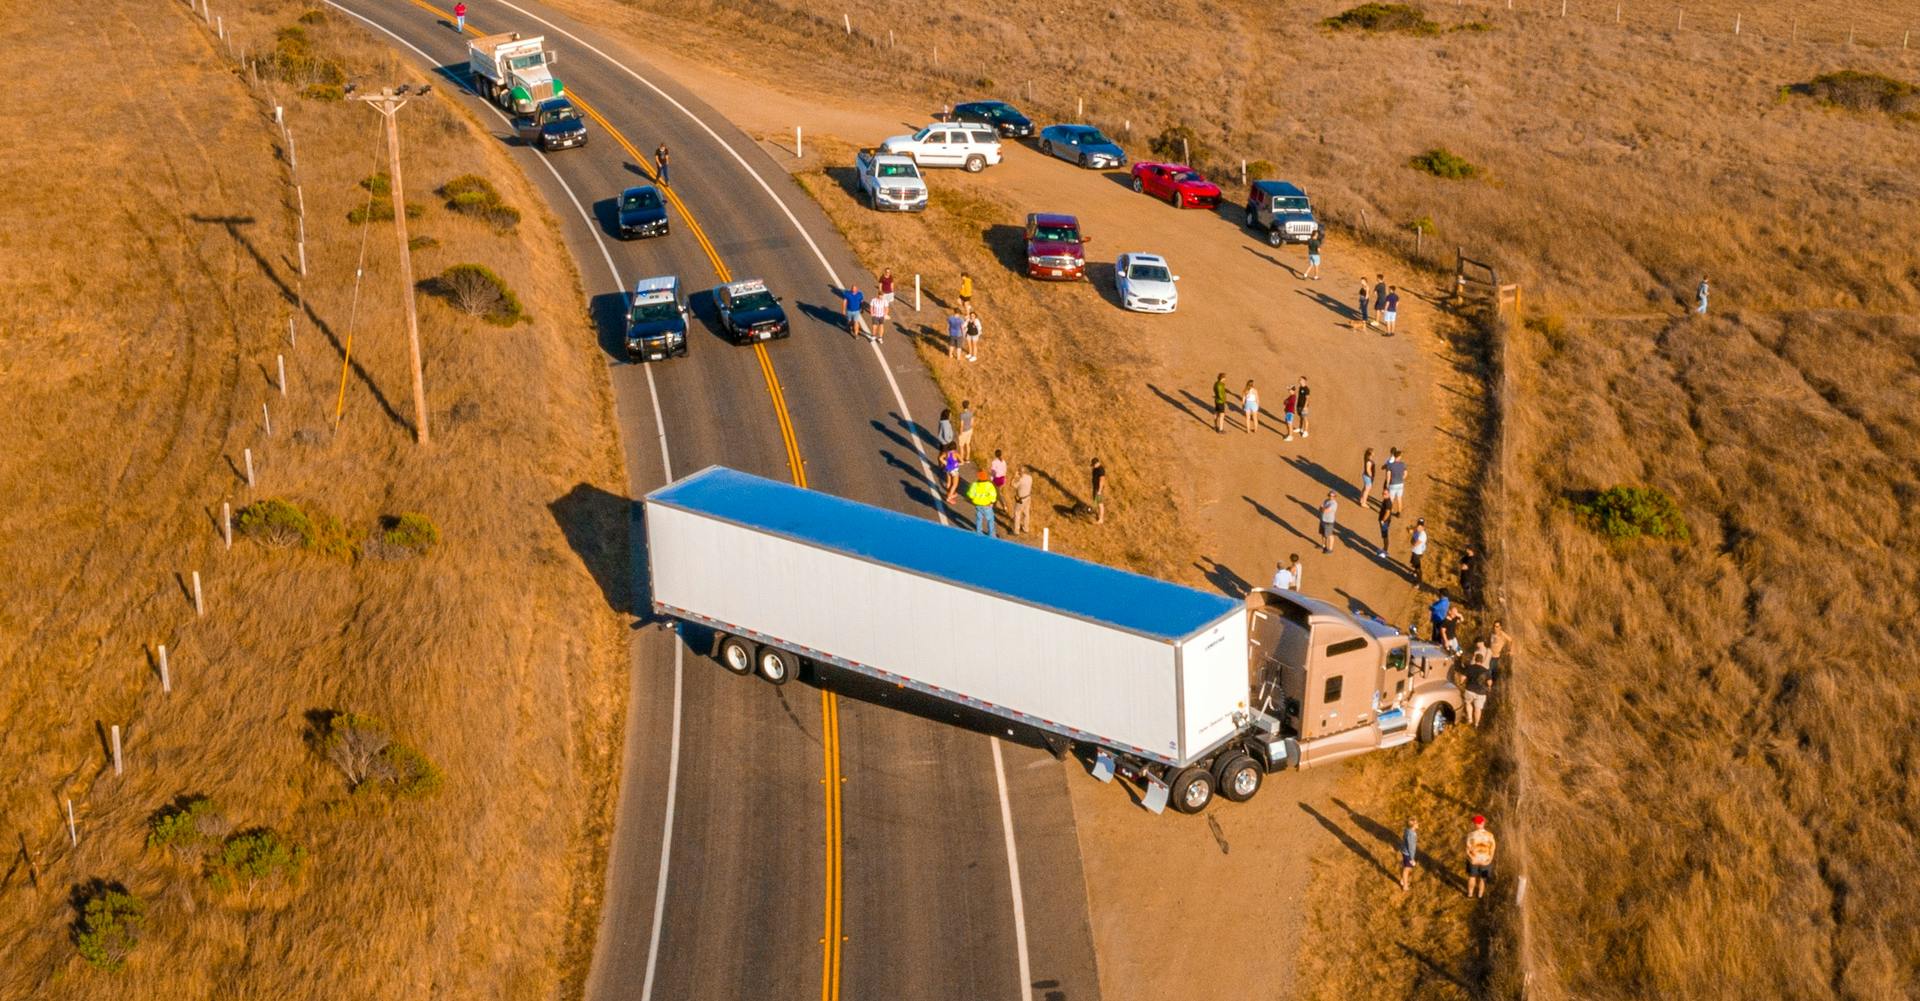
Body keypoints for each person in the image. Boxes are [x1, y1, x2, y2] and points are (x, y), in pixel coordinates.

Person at [1459, 642, 1493, 726]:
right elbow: (1489, 682)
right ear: (1482, 661)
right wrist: (1489, 686)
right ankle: (1476, 724)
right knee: (1478, 709)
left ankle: (1470, 719)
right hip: (1481, 693)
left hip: (1469, 690)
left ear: (1475, 660)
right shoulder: (1486, 670)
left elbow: (1462, 679)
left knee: (1468, 703)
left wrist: (1461, 682)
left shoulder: (1470, 668)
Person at [1465, 816, 1497, 900]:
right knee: (1483, 878)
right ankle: (1480, 895)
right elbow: (1493, 848)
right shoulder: (1490, 835)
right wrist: (1489, 860)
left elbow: (1467, 850)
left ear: (1475, 824)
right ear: (1483, 823)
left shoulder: (1470, 835)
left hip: (1474, 860)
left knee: (1472, 877)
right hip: (1485, 861)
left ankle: (1470, 894)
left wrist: (1471, 859)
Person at [967, 471, 999, 536]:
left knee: (979, 519)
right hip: (987, 505)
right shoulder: (989, 485)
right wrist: (992, 502)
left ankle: (979, 532)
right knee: (990, 519)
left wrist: (973, 498)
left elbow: (970, 495)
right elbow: (993, 495)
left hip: (978, 505)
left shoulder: (974, 484)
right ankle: (992, 535)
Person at [1383, 448, 1408, 515]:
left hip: (1393, 484)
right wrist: (1401, 479)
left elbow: (1388, 476)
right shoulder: (1403, 464)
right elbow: (1405, 474)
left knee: (1391, 499)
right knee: (1399, 498)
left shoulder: (1390, 465)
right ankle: (1399, 512)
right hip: (1400, 484)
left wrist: (1387, 484)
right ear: (1399, 457)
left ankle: (1389, 511)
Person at [1012, 465, 1034, 535]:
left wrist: (1014, 477)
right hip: (1028, 497)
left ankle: (1016, 530)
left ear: (1020, 473)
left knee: (1017, 513)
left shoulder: (1020, 481)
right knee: (1026, 513)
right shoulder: (1030, 478)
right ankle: (1026, 528)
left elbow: (1012, 485)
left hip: (1021, 500)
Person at [1399, 819, 1419, 892]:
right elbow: (1411, 847)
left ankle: (1403, 880)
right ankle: (1405, 886)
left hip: (1405, 852)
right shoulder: (1411, 834)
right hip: (1408, 854)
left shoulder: (1407, 830)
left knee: (1408, 868)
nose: (1418, 824)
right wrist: (1412, 859)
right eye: (1416, 823)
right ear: (1413, 825)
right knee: (1407, 869)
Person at [1408, 517, 1429, 585]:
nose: (1419, 525)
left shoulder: (1422, 535)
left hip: (1417, 553)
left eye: (1421, 525)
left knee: (1418, 568)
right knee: (1413, 564)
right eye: (1418, 524)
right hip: (1415, 551)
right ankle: (1414, 573)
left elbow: (1415, 543)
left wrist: (1412, 540)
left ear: (1423, 526)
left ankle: (1419, 581)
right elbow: (1410, 532)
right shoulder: (1417, 530)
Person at [989, 449, 1009, 514]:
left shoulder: (994, 462)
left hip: (996, 479)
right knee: (997, 492)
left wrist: (991, 479)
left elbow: (993, 472)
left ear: (995, 454)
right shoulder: (1003, 461)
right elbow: (1005, 470)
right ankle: (994, 505)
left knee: (997, 493)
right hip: (1002, 479)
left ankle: (1004, 506)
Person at [1090, 457, 1107, 524]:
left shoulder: (1101, 470)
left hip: (1098, 489)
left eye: (1094, 464)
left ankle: (1101, 519)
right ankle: (1096, 513)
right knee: (1095, 501)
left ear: (1097, 463)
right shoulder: (1095, 468)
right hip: (1095, 488)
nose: (1093, 466)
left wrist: (1099, 491)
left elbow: (1102, 480)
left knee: (1100, 503)